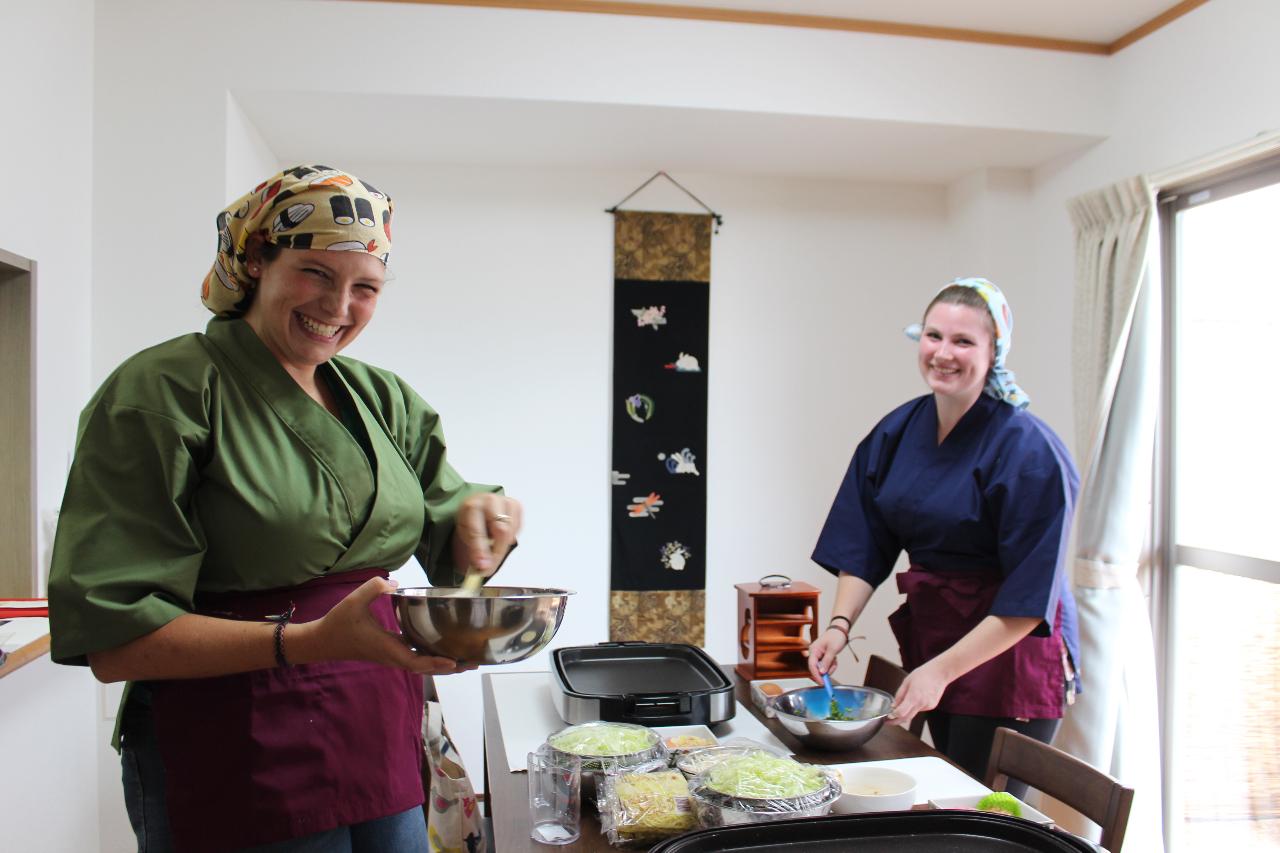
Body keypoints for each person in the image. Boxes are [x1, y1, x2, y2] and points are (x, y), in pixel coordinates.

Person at [47, 164, 522, 853]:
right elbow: (114, 637)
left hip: (375, 725)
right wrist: (304, 642)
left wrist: (487, 517)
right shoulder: (163, 391)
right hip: (230, 741)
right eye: (314, 273)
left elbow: (449, 527)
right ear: (256, 261)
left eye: (365, 287)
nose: (338, 306)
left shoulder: (381, 399)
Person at [807, 277, 1080, 790]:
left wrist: (941, 671)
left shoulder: (1031, 452)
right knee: (938, 790)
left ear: (994, 350)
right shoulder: (898, 430)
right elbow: (866, 538)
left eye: (963, 341)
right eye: (933, 336)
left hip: (1007, 657)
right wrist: (840, 625)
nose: (943, 353)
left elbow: (1027, 600)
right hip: (936, 639)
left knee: (981, 815)